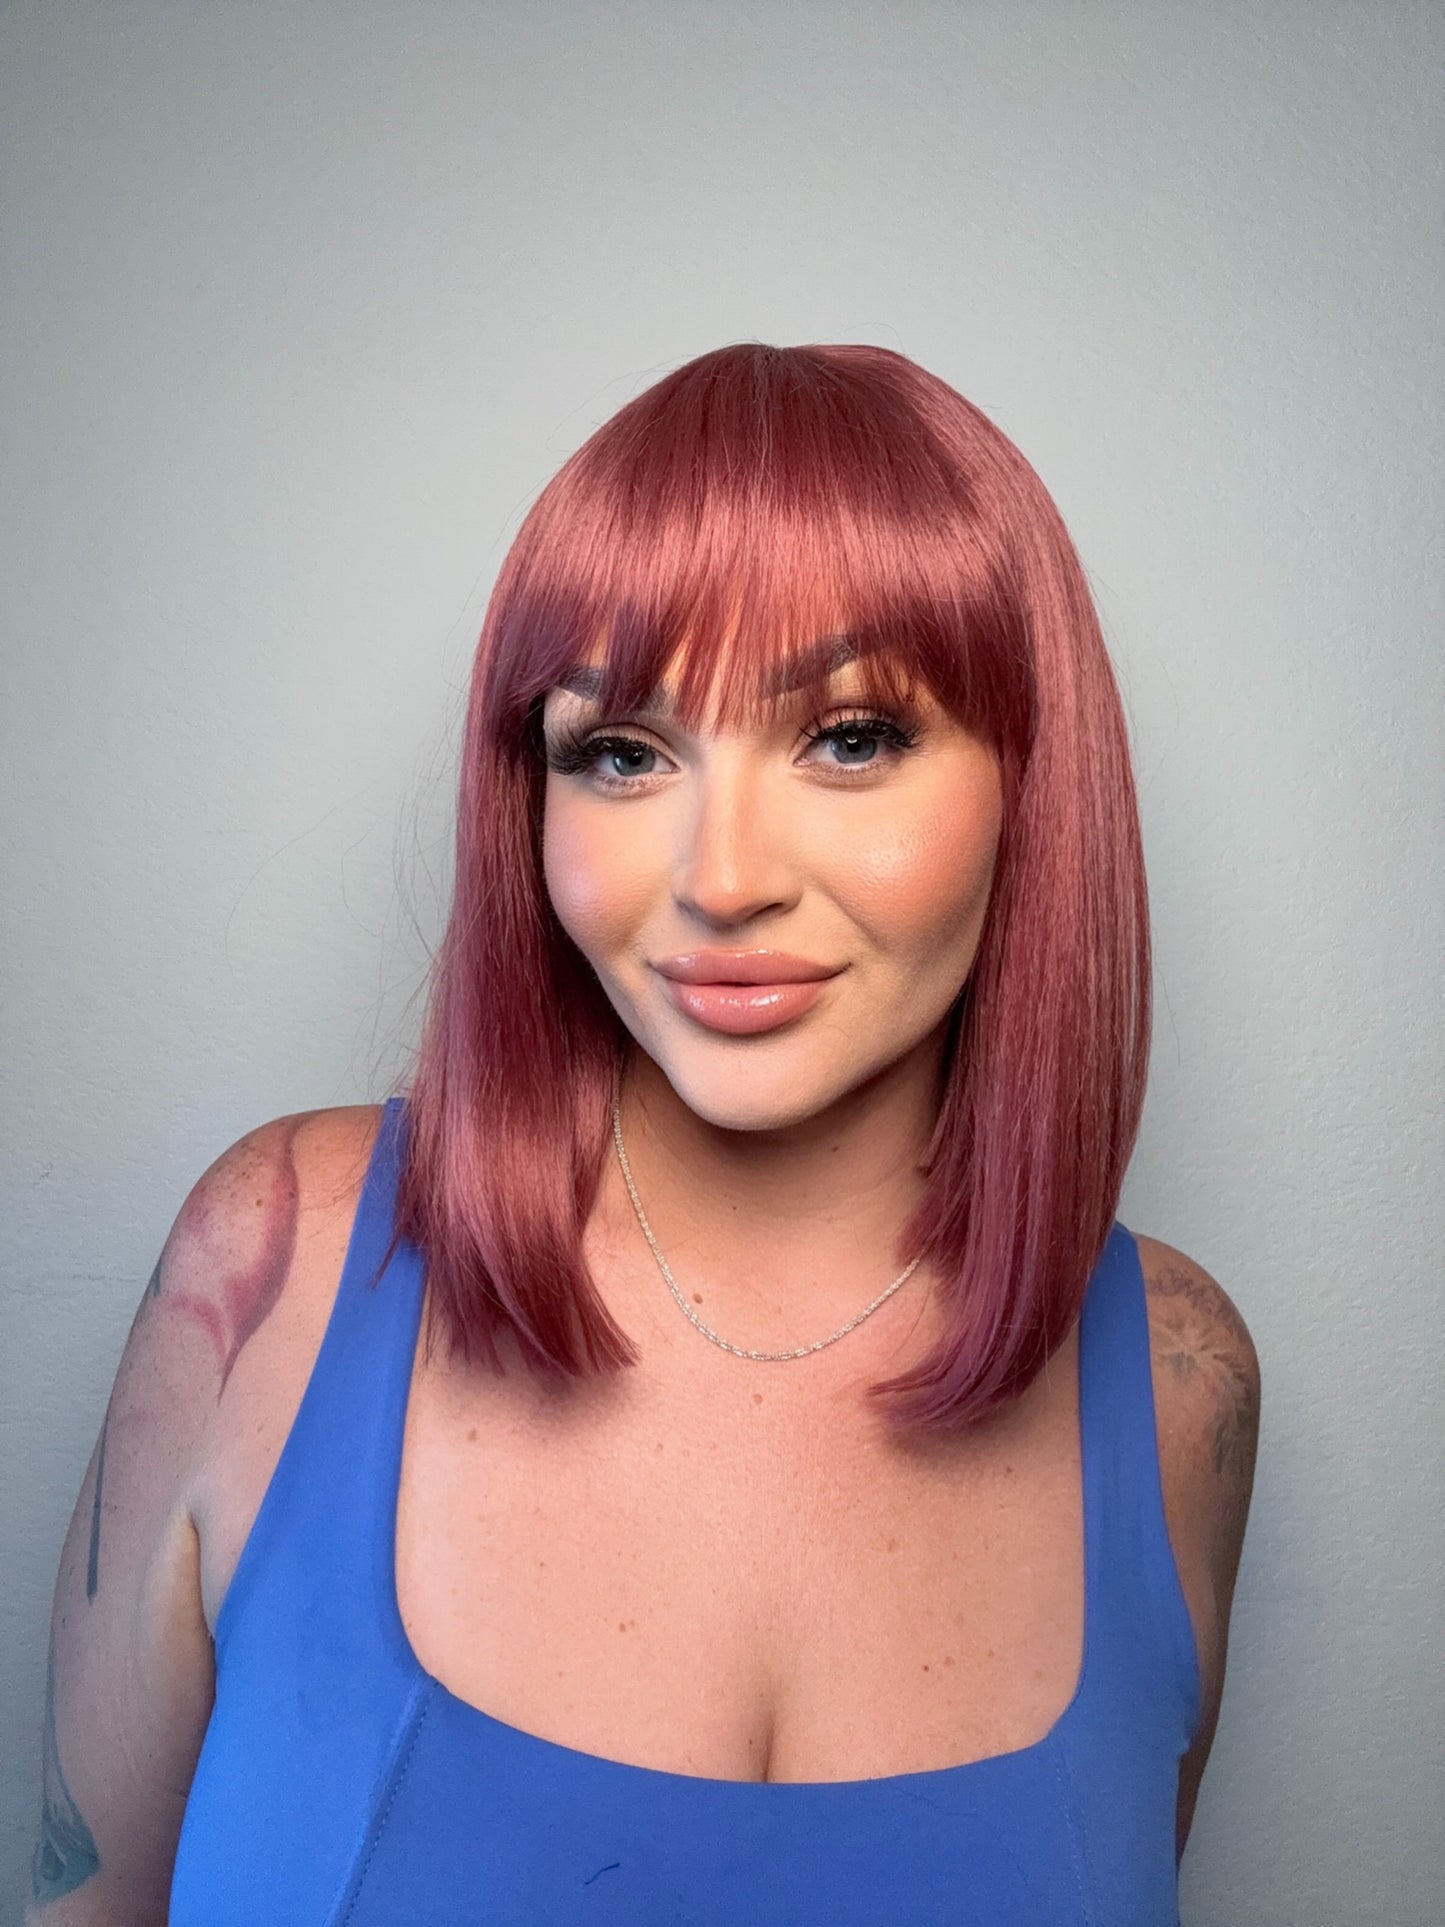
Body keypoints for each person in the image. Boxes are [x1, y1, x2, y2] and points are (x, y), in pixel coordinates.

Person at [27, 341, 1261, 1925]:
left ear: (1033, 781)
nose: (721, 878)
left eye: (850, 736)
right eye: (623, 752)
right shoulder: (276, 1269)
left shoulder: (1176, 1384)